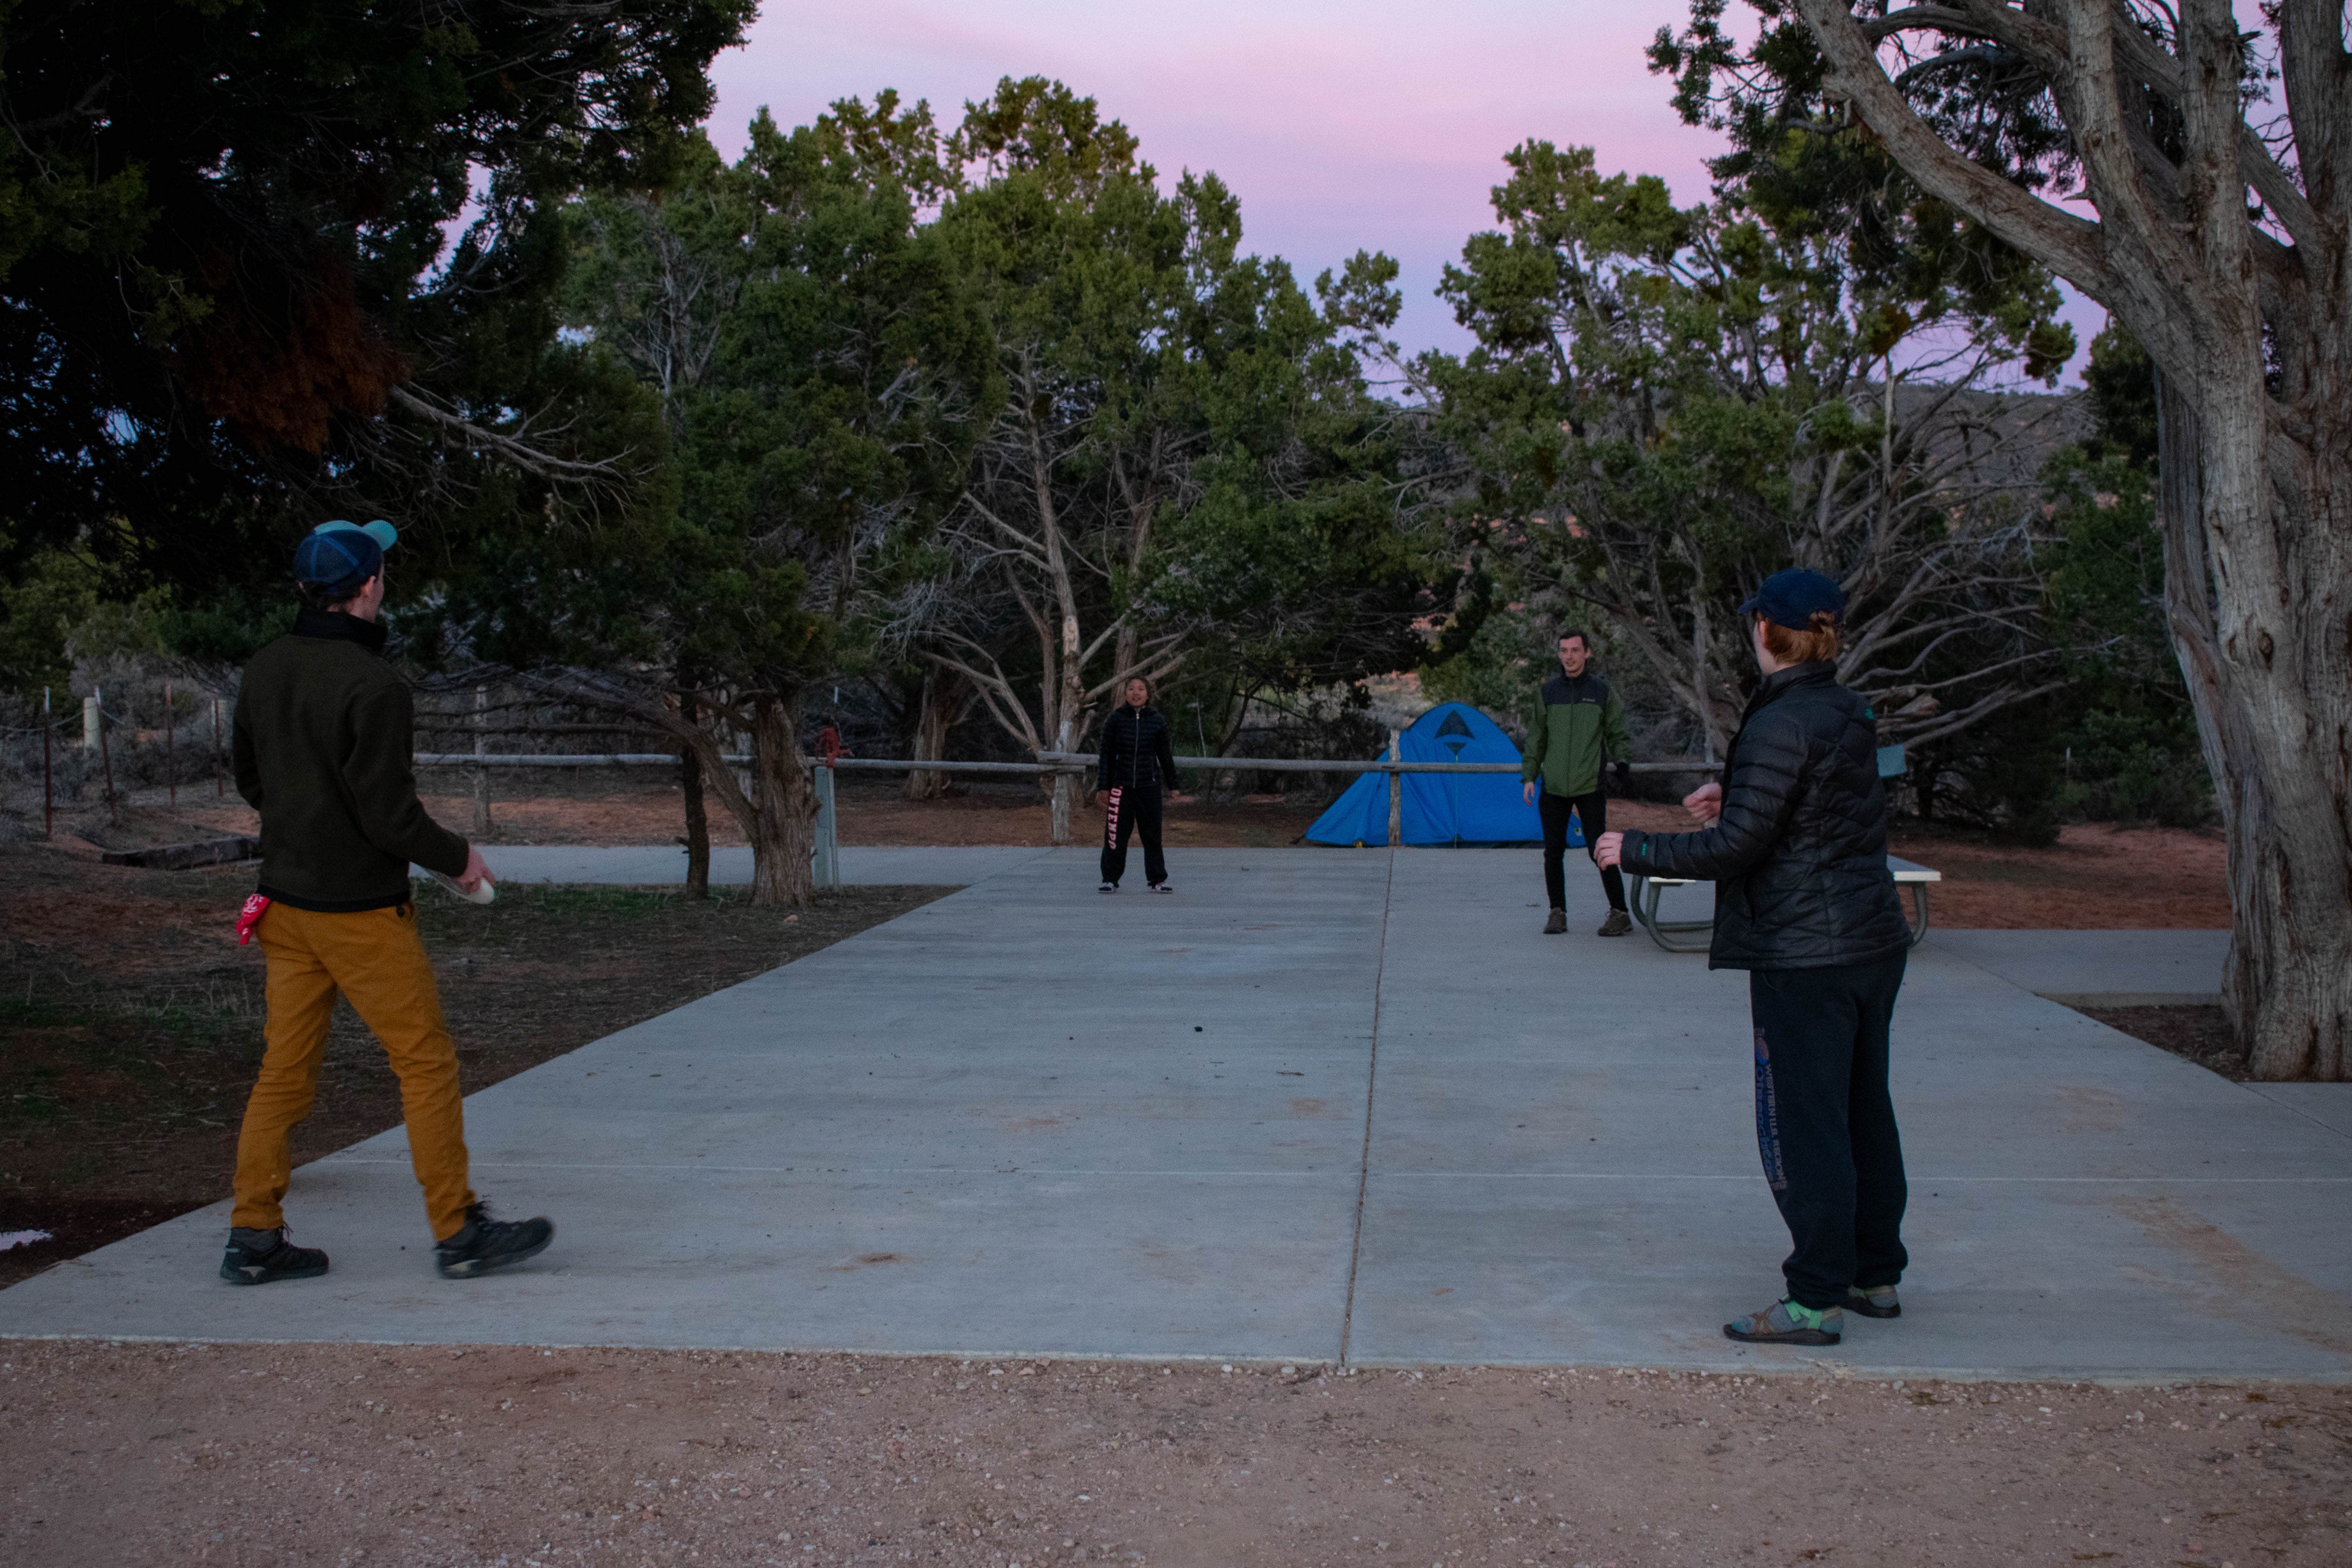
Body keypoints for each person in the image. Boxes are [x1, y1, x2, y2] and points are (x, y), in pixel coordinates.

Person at [223, 519, 555, 1286]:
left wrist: (301, 828)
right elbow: (388, 816)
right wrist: (459, 860)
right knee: (426, 1064)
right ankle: (458, 1230)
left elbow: (250, 779)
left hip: (282, 906)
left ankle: (253, 1237)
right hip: (361, 915)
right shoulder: (374, 686)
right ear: (368, 586)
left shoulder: (266, 667)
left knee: (282, 1073)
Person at [1595, 569, 1911, 1347]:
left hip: (1805, 955)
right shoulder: (1843, 709)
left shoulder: (1780, 720)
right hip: (1869, 943)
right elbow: (1813, 809)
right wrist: (1731, 789)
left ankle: (1812, 1300)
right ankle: (1874, 1273)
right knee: (1862, 1111)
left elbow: (1741, 846)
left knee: (1805, 1125)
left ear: (1767, 633)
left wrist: (1632, 846)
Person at [1520, 630, 1635, 936]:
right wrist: (1529, 775)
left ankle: (1620, 912)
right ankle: (1557, 913)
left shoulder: (1602, 692)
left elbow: (1616, 732)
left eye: (1575, 650)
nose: (1568, 656)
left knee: (1600, 849)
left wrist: (1622, 761)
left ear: (1587, 653)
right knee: (1553, 851)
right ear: (1558, 654)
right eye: (1563, 650)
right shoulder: (1547, 693)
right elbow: (1536, 738)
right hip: (1553, 786)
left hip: (1590, 785)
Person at [1093, 676, 1185, 893]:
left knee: (1152, 835)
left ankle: (1157, 880)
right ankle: (1110, 879)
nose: (1136, 693)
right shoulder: (1115, 720)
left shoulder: (1157, 720)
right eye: (1132, 689)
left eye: (1141, 689)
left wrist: (1174, 786)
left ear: (1148, 694)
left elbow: (1165, 756)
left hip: (1149, 787)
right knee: (1115, 836)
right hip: (1120, 787)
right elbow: (1105, 756)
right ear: (1125, 693)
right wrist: (1103, 787)